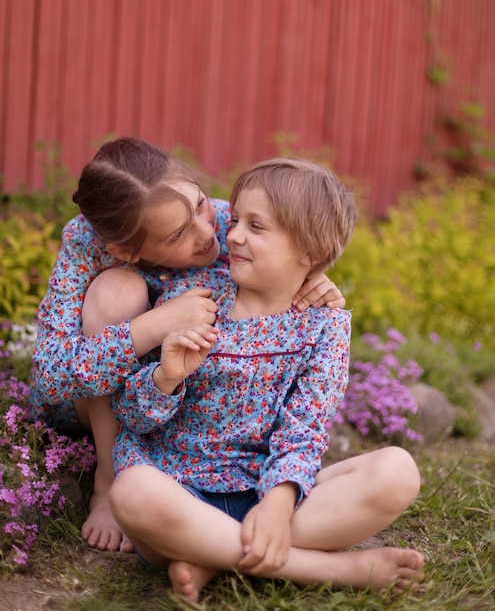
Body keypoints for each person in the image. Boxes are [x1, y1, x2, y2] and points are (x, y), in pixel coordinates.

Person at [109, 157, 424, 603]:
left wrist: (277, 503)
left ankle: (210, 554)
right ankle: (327, 568)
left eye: (256, 227)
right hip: (178, 490)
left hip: (266, 489)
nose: (232, 235)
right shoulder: (193, 300)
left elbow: (305, 428)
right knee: (133, 491)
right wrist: (165, 378)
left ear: (309, 254)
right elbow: (132, 419)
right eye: (236, 219)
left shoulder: (324, 327)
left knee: (397, 471)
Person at [29, 138, 346, 553]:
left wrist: (312, 278)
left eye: (200, 204)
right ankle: (108, 480)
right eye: (179, 234)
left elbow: (293, 246)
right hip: (96, 400)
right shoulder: (86, 243)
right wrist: (153, 325)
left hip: (167, 391)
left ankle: (202, 517)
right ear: (126, 249)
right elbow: (52, 375)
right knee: (115, 291)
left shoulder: (224, 222)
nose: (212, 232)